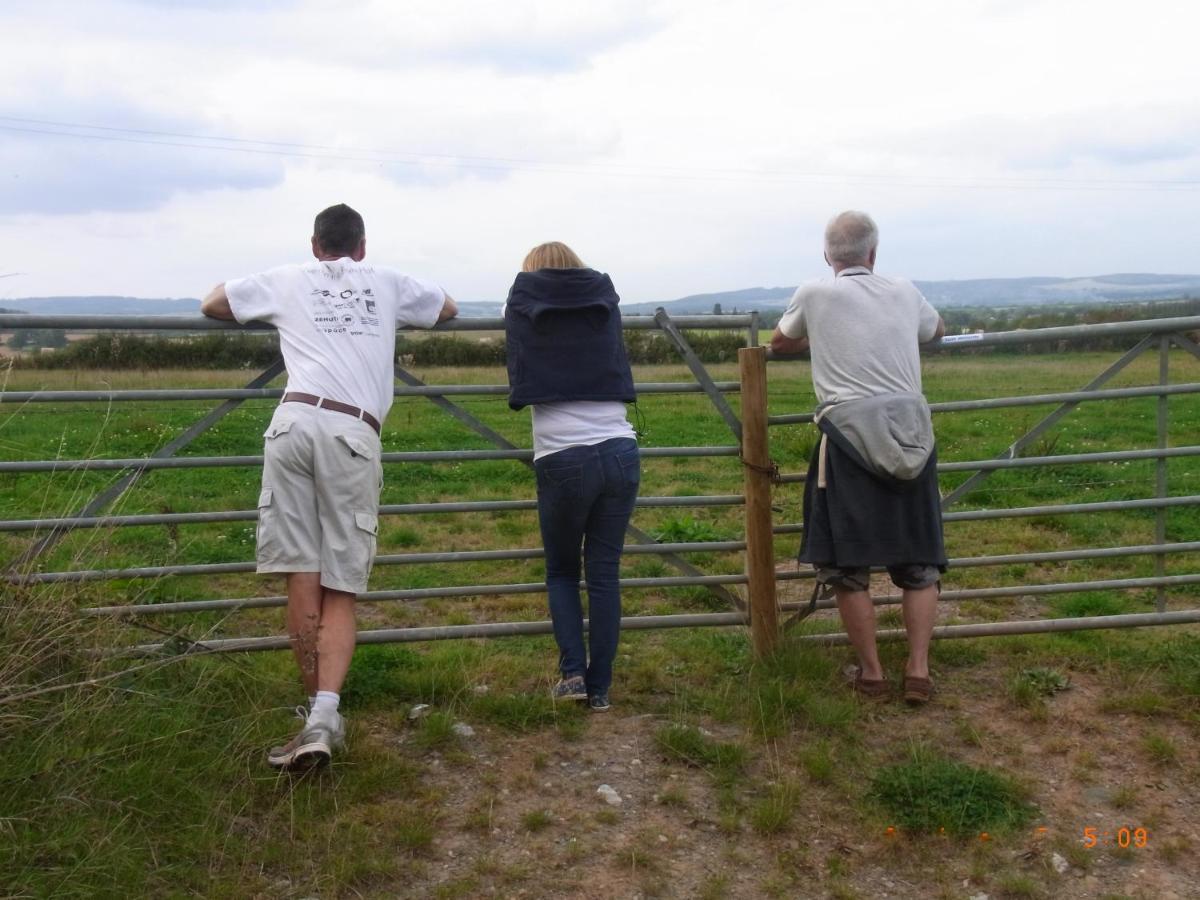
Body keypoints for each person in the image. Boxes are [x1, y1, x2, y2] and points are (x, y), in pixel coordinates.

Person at [201, 203, 457, 766]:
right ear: (362, 247)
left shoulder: (288, 279)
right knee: (340, 582)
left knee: (303, 571)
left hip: (292, 423)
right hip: (350, 431)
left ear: (315, 245)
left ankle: (312, 717)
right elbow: (447, 307)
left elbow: (214, 302)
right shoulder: (386, 281)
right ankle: (323, 716)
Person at [770, 211, 947, 705]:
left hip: (847, 439)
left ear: (828, 256)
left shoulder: (815, 293)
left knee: (847, 563)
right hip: (911, 433)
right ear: (874, 253)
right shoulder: (905, 290)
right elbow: (936, 332)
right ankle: (918, 670)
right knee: (919, 559)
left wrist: (822, 337)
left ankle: (871, 673)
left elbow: (779, 342)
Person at [503, 242, 640, 712]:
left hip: (563, 456)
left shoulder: (525, 303)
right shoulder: (603, 299)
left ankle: (572, 674)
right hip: (621, 450)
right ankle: (600, 689)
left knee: (562, 572)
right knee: (604, 574)